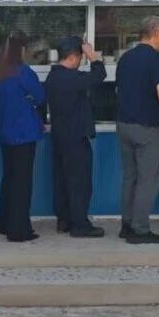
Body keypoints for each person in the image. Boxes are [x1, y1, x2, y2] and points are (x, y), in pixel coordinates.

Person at [116, 15, 159, 245]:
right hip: (147, 128)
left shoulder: (125, 58)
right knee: (148, 180)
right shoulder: (156, 59)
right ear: (157, 33)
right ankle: (140, 230)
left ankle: (127, 225)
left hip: (124, 125)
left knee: (130, 177)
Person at [44, 36, 107, 238]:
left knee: (61, 180)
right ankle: (80, 225)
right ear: (72, 57)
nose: (81, 62)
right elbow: (100, 75)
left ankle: (64, 220)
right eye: (80, 57)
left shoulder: (53, 77)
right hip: (76, 138)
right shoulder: (71, 78)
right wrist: (93, 55)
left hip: (59, 136)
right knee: (79, 183)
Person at [0, 30, 46, 243]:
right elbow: (40, 96)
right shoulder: (23, 72)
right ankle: (19, 230)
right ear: (22, 49)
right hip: (24, 133)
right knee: (22, 183)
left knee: (9, 179)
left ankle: (5, 224)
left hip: (5, 133)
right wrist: (30, 100)